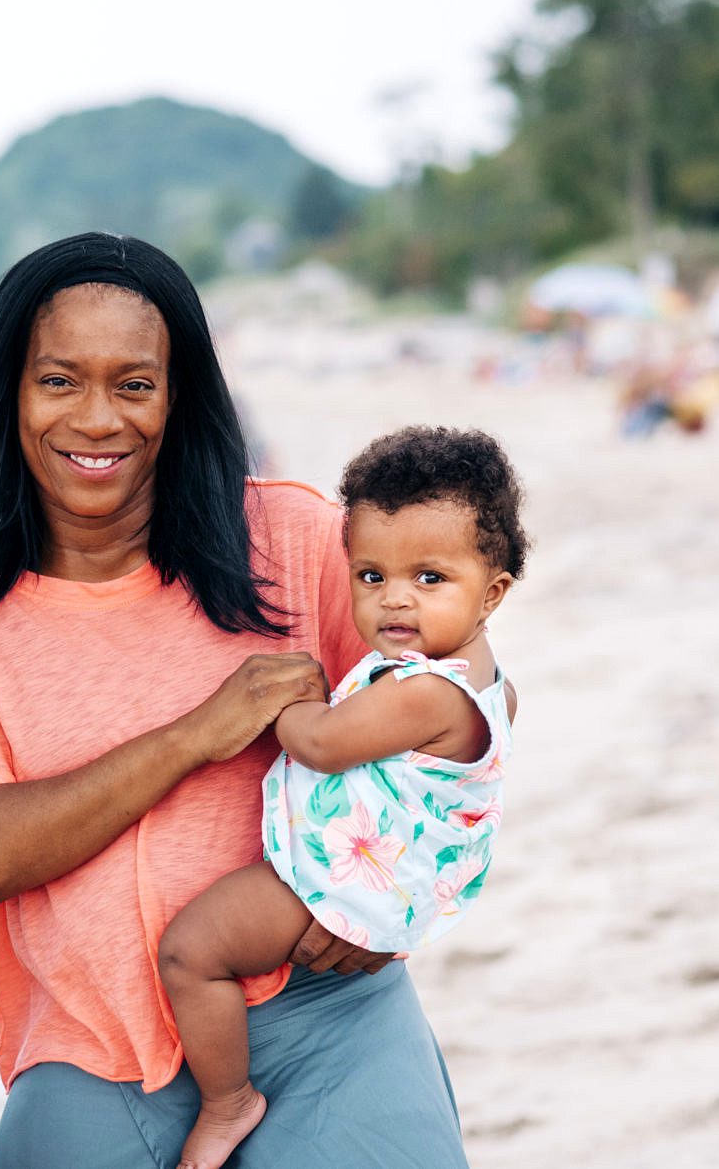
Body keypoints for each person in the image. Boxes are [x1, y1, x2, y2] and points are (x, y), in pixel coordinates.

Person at [0, 233, 469, 1167]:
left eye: (134, 385)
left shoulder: (297, 539)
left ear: (179, 397)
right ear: (9, 393)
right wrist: (197, 735)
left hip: (321, 1018)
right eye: (60, 381)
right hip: (90, 1051)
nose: (98, 419)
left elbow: (457, 703)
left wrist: (386, 890)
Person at [159, 427, 528, 1168]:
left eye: (430, 579)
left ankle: (229, 1101)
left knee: (191, 952)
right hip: (381, 872)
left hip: (343, 882)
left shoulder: (428, 691)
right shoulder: (481, 679)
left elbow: (321, 744)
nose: (395, 600)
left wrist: (282, 692)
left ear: (492, 591)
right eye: (370, 576)